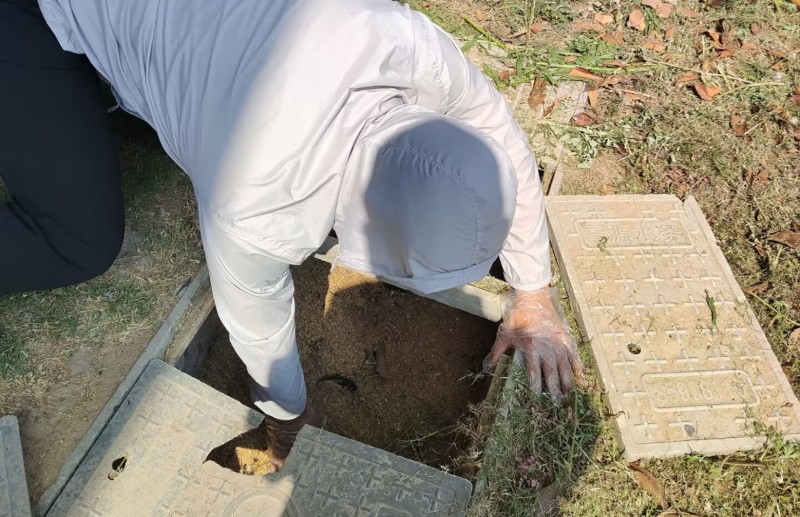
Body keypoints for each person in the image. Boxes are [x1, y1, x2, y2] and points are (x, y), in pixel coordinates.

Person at [1, 0, 583, 471]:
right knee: (78, 243)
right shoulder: (251, 199)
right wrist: (285, 416)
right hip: (33, 12)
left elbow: (495, 128)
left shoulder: (403, 41)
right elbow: (259, 322)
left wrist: (533, 289)